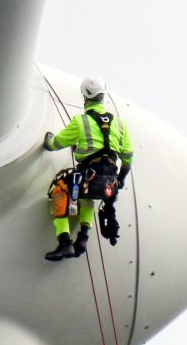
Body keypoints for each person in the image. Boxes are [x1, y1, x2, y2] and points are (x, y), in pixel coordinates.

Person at [42, 75, 133, 261]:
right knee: (88, 197)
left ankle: (65, 242)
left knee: (60, 191)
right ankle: (82, 239)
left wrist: (49, 141)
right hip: (109, 181)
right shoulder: (120, 124)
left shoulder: (81, 122)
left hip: (88, 176)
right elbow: (128, 156)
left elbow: (56, 143)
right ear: (103, 96)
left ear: (84, 97)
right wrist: (121, 179)